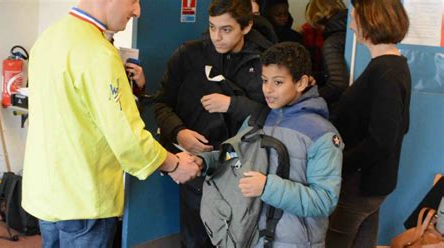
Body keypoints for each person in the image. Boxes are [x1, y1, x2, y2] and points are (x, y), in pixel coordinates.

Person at [21, 0, 202, 247]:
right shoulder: (98, 52)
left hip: (48, 192)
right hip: (84, 197)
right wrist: (173, 164)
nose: (137, 11)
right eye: (134, 1)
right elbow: (126, 138)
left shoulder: (49, 37)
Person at [153, 0, 272, 246]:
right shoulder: (188, 55)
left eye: (226, 29)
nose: (217, 36)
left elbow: (273, 116)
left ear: (247, 26)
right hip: (196, 165)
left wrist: (232, 104)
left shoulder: (265, 62)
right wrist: (178, 133)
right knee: (195, 239)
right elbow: (161, 104)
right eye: (211, 27)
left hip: (244, 168)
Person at [202, 42, 343, 247]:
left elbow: (324, 201)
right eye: (264, 80)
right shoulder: (259, 118)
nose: (268, 90)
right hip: (253, 237)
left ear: (301, 82)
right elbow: (237, 157)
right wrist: (205, 161)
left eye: (278, 82)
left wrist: (267, 186)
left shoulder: (322, 134)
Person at [325, 0, 411, 247]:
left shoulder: (386, 72)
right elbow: (398, 128)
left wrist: (339, 165)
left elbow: (382, 140)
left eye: (356, 17)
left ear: (371, 21)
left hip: (360, 184)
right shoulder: (394, 66)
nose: (351, 23)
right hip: (372, 183)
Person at [305, 0, 348, 111]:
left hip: (341, 108)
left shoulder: (332, 42)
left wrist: (305, 98)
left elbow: (337, 86)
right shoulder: (352, 35)